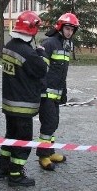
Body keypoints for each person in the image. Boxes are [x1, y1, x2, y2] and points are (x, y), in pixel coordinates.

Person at [0, 10, 48, 187]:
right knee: (23, 141)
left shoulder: (9, 46)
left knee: (10, 137)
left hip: (9, 103)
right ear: (32, 30)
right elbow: (41, 69)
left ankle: (3, 169)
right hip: (23, 105)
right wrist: (41, 54)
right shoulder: (28, 52)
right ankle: (16, 174)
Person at [35, 12, 80, 171]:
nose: (69, 32)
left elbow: (62, 73)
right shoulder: (50, 44)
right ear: (60, 28)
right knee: (48, 124)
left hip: (56, 93)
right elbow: (41, 70)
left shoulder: (65, 45)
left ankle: (50, 151)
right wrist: (42, 90)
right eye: (67, 28)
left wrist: (64, 92)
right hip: (46, 93)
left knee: (54, 123)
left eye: (72, 30)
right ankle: (43, 155)